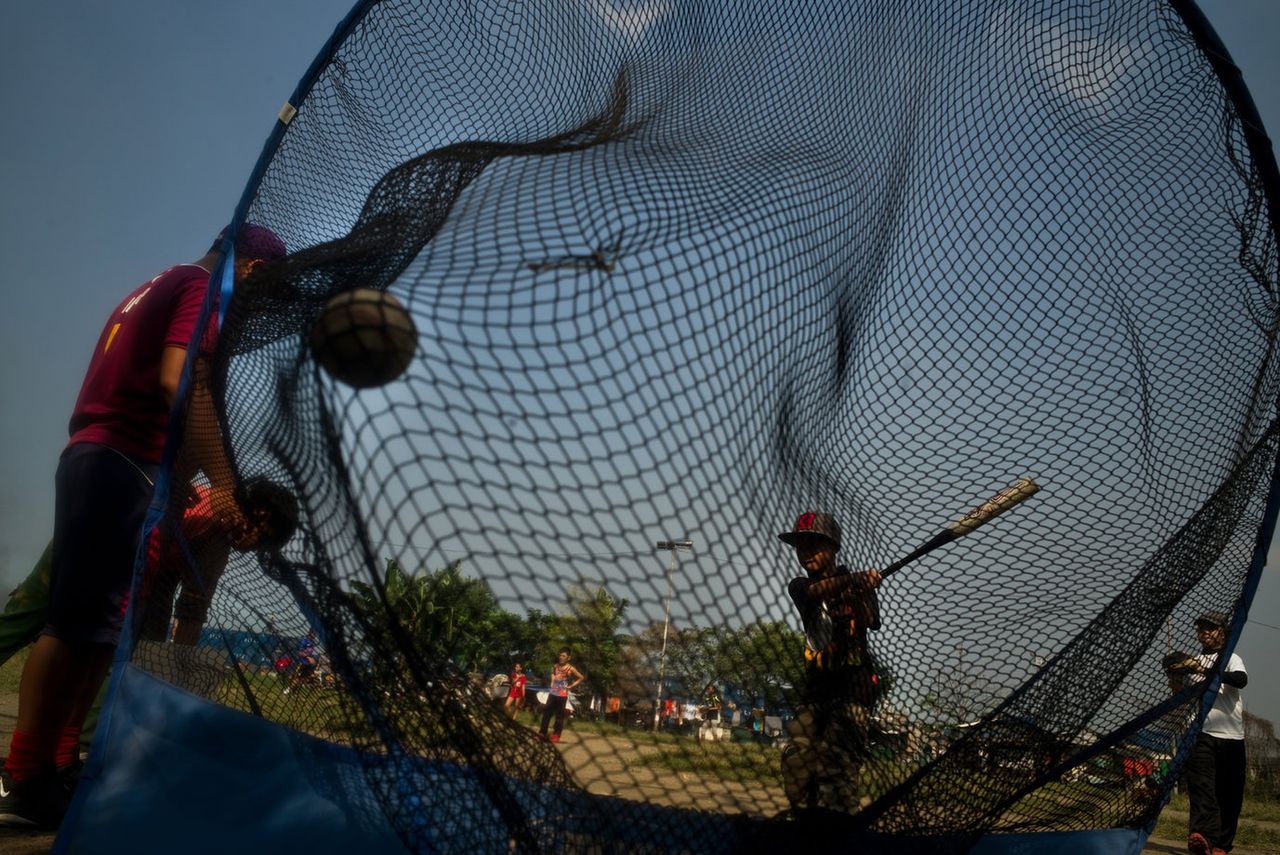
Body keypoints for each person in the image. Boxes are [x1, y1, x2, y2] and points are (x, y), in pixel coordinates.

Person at [0, 224, 287, 829]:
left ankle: (57, 761)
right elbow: (182, 381)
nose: (254, 304)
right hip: (116, 459)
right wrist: (229, 490)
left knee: (98, 629)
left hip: (115, 463)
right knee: (69, 626)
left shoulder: (162, 282)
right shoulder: (200, 288)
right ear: (253, 268)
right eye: (263, 289)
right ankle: (25, 775)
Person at [777, 511, 883, 816]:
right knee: (796, 762)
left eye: (815, 544)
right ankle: (809, 822)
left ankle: (838, 832)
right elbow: (815, 592)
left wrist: (861, 593)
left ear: (834, 548)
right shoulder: (799, 585)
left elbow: (870, 621)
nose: (806, 551)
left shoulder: (858, 583)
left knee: (837, 768)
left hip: (854, 687)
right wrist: (852, 581)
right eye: (801, 546)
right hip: (817, 688)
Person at [137, 477, 298, 645]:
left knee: (158, 610)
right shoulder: (216, 529)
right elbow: (194, 604)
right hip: (140, 550)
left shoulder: (216, 512)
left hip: (158, 567)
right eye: (259, 535)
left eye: (260, 543)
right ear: (260, 514)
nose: (251, 542)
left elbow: (193, 602)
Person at [1167, 611, 1248, 855]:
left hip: (1232, 736)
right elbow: (1179, 694)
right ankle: (1201, 836)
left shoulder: (1231, 658)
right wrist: (1174, 674)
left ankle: (1221, 846)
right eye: (1201, 628)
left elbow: (1240, 680)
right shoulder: (1190, 663)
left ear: (1222, 632)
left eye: (1210, 628)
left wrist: (1204, 671)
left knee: (1229, 793)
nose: (1204, 632)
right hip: (1200, 733)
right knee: (1202, 788)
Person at [538, 648, 585, 744]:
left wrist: (571, 686)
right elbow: (553, 673)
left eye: (563, 656)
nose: (561, 657)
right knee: (547, 713)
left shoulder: (570, 668)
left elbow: (581, 677)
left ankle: (556, 735)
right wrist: (552, 681)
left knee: (559, 716)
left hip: (562, 695)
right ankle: (542, 733)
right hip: (552, 693)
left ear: (568, 657)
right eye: (560, 655)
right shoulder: (556, 666)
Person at [284, 630, 320, 694]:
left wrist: (312, 659)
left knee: (302, 677)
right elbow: (300, 652)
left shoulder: (312, 642)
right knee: (297, 676)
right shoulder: (304, 641)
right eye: (313, 634)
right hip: (302, 662)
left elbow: (309, 653)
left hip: (308, 663)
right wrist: (308, 658)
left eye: (315, 634)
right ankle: (289, 689)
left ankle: (293, 689)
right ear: (310, 633)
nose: (315, 636)